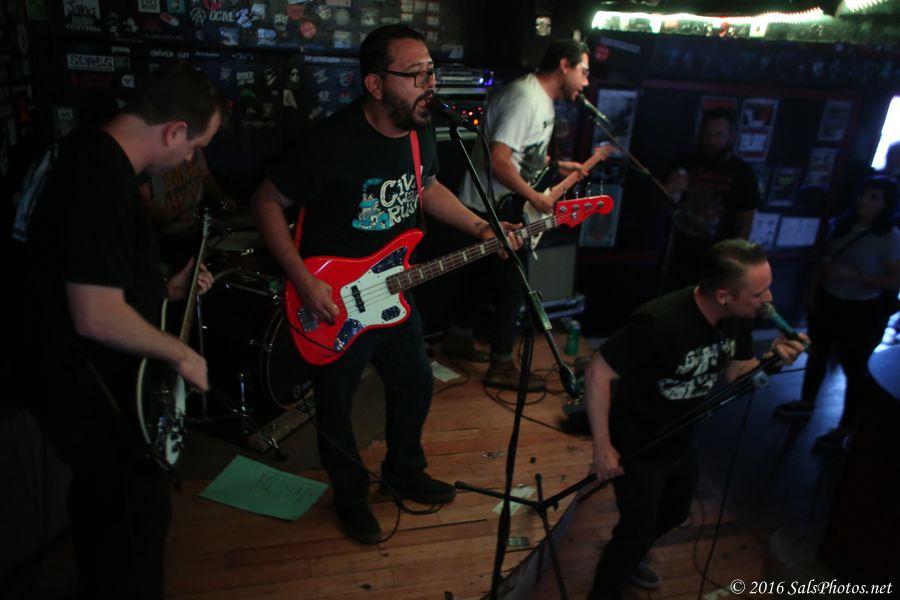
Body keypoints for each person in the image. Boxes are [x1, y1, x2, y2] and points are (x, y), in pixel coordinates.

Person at [251, 25, 521, 545]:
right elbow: (265, 201)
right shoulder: (330, 143)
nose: (429, 84)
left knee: (415, 382)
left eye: (431, 72)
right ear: (375, 84)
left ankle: (404, 470)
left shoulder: (420, 131)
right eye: (415, 74)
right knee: (337, 405)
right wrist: (303, 281)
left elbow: (427, 187)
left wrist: (482, 227)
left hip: (393, 288)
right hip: (331, 298)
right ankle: (350, 498)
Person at [13, 63, 223, 599]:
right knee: (131, 517)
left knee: (106, 507)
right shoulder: (99, 178)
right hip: (84, 383)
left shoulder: (87, 154)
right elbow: (97, 315)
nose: (191, 160)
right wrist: (180, 354)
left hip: (73, 374)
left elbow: (91, 276)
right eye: (195, 147)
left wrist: (165, 291)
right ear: (175, 131)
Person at [584, 239, 807, 599]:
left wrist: (772, 360)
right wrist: (602, 447)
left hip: (681, 435)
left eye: (768, 288)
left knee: (674, 512)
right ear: (723, 295)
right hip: (637, 440)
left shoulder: (737, 317)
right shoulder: (659, 321)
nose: (769, 300)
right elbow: (598, 373)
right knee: (635, 530)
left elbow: (738, 373)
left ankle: (629, 556)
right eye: (758, 293)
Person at [441, 39, 590, 391]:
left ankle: (458, 337)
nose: (586, 82)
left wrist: (559, 165)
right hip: (492, 208)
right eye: (584, 72)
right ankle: (503, 365)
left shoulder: (541, 100)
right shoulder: (525, 99)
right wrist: (536, 197)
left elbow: (526, 154)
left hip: (500, 204)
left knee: (481, 279)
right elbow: (499, 160)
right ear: (564, 65)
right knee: (513, 287)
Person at [775, 176, 900, 448]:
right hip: (828, 300)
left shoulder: (890, 238)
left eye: (874, 197)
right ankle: (806, 402)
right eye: (863, 194)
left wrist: (855, 276)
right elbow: (824, 263)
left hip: (862, 311)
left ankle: (845, 427)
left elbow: (895, 281)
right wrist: (811, 294)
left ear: (886, 205)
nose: (864, 201)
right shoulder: (842, 225)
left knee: (855, 367)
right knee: (816, 355)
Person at [659, 108, 760, 294]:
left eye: (718, 135)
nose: (711, 140)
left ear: (731, 136)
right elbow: (658, 203)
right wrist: (670, 188)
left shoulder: (742, 172)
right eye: (707, 133)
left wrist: (735, 259)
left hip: (717, 256)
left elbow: (746, 220)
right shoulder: (685, 162)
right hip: (679, 251)